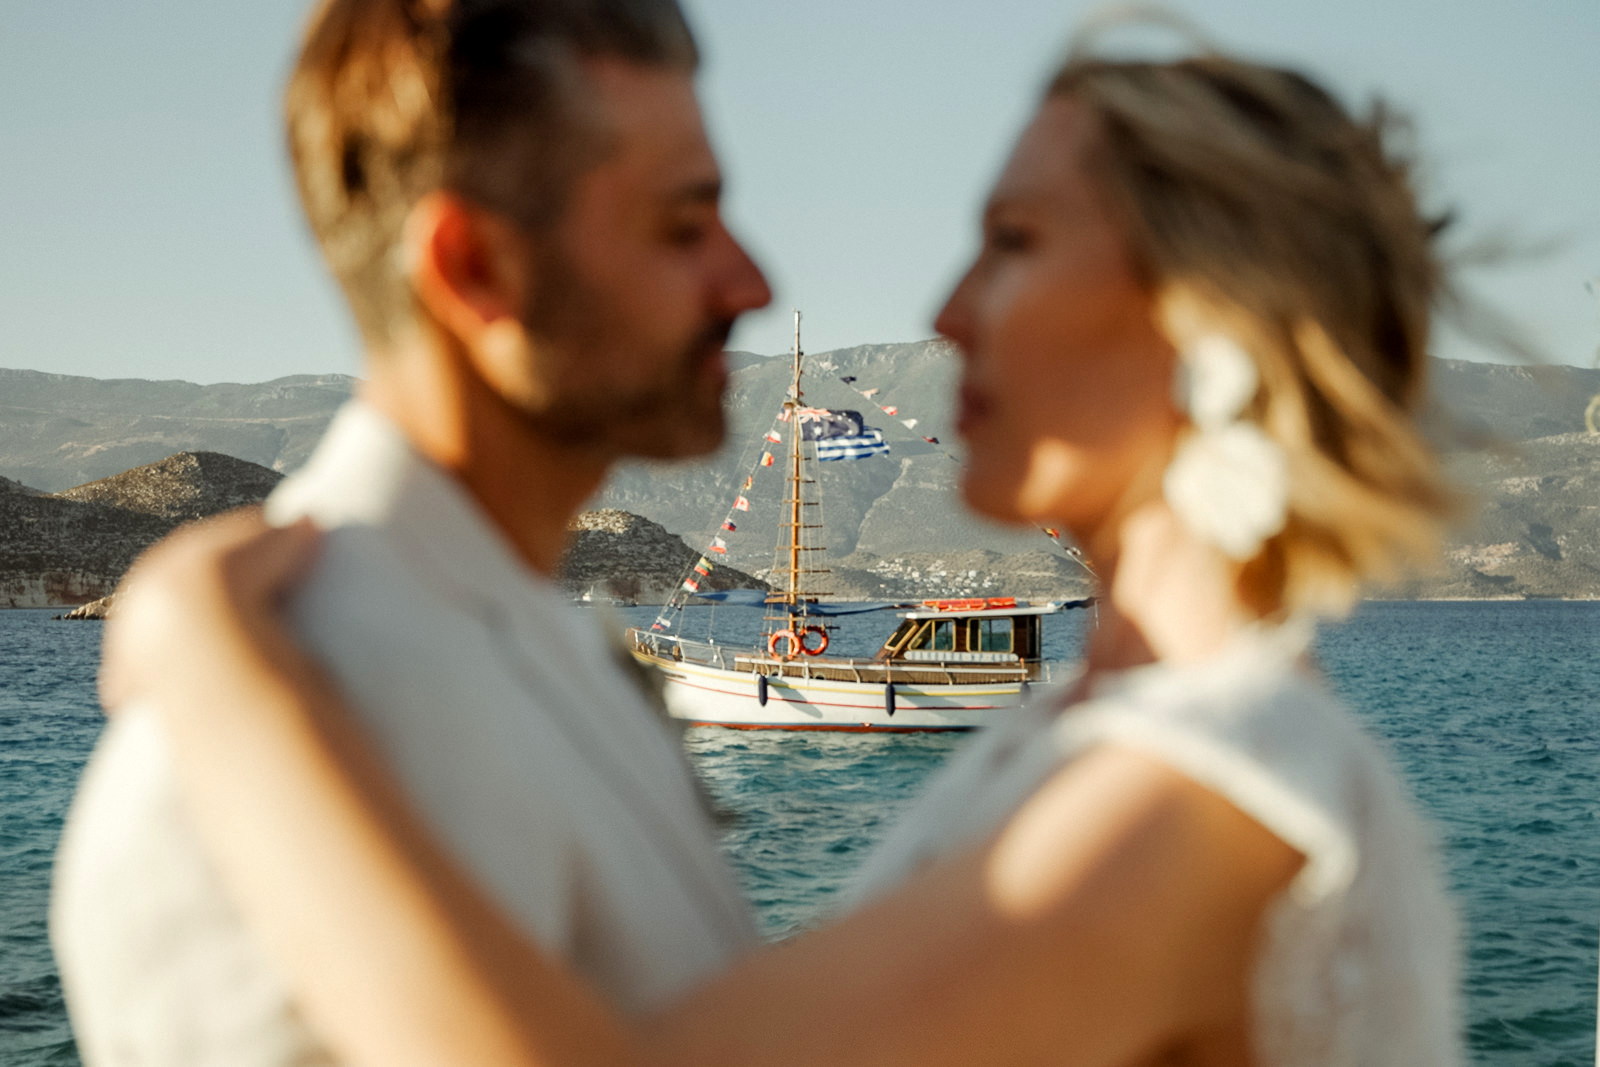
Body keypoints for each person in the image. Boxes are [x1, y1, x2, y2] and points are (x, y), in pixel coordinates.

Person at [81, 27, 1468, 1067]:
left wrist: (218, 674)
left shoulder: (1203, 791)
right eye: (685, 221)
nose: (944, 309)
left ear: (1203, 318)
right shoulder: (1102, 741)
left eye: (1014, 241)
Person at [51, 0, 773, 1061]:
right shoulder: (301, 719)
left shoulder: (522, 641)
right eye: (680, 225)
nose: (749, 283)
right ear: (478, 269)